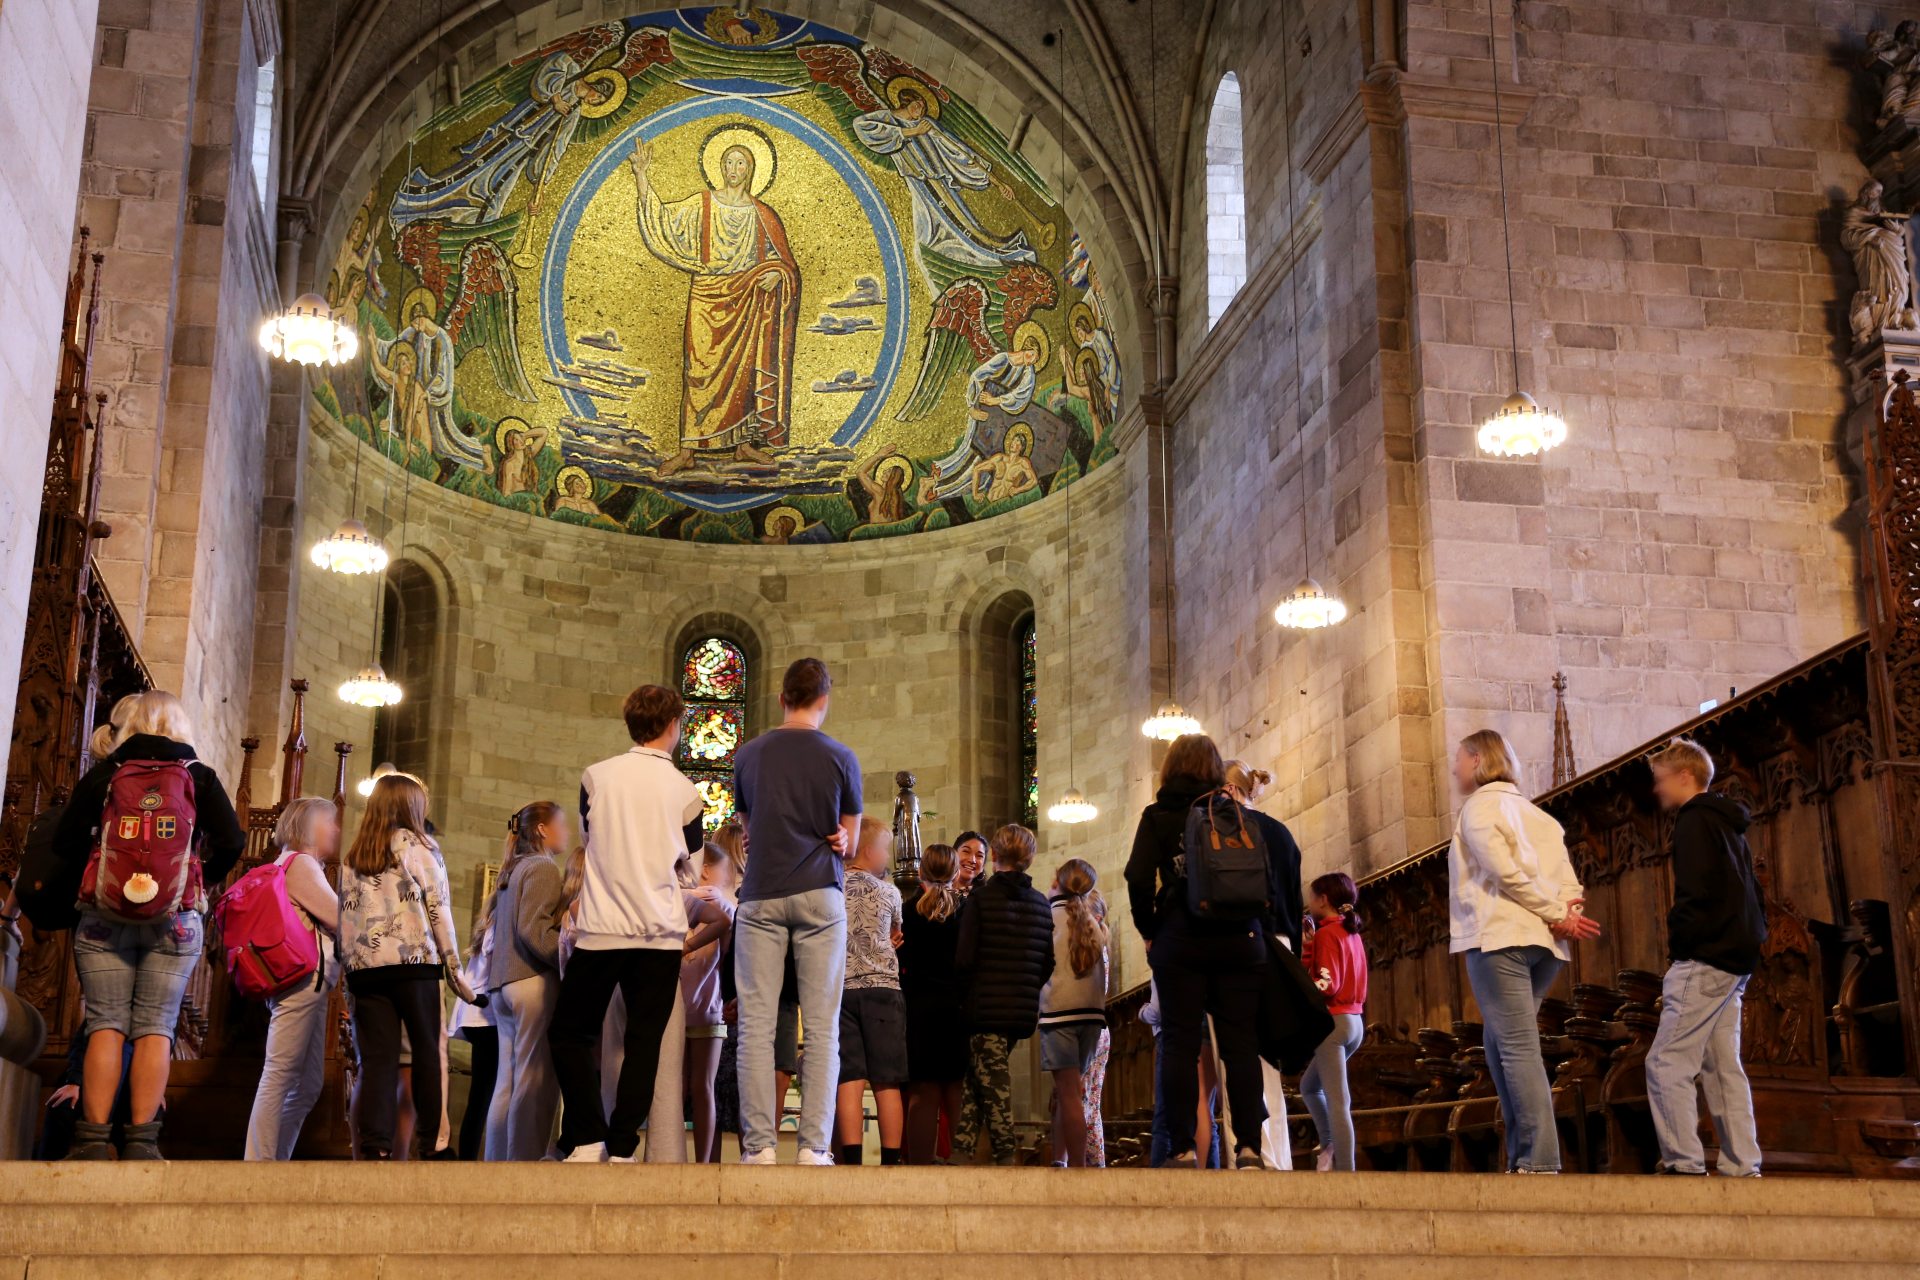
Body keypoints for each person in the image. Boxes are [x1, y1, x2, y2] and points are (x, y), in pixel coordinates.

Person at [55, 691, 246, 1160]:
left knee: (106, 1025)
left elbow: (64, 840)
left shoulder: (105, 774)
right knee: (156, 1028)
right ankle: (142, 1144)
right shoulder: (198, 776)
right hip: (175, 920)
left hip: (103, 917)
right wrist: (196, 879)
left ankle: (92, 1144)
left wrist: (104, 878)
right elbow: (233, 840)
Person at [550, 684, 705, 1163]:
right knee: (644, 1044)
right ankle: (620, 1146)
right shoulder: (686, 791)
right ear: (674, 725)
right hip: (660, 935)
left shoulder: (596, 777)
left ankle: (589, 1133)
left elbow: (590, 839)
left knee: (569, 1034)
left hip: (601, 929)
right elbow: (693, 873)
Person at [1448, 729, 1601, 1174]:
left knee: (1516, 1049)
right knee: (1499, 1047)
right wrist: (1563, 914)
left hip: (1501, 939)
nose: (1455, 767)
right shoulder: (1541, 817)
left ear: (1478, 760)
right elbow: (1570, 882)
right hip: (1545, 945)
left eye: (1458, 758)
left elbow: (1502, 872)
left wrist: (1558, 911)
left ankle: (1540, 1160)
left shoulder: (1480, 808)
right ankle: (1520, 1156)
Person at [732, 657, 864, 1166]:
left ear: (782, 698)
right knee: (824, 1027)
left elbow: (747, 822)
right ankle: (813, 1147)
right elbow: (848, 842)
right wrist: (837, 837)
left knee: (757, 1028)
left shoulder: (749, 754)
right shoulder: (841, 756)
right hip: (819, 892)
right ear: (823, 702)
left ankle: (759, 1148)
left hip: (762, 893)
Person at [1123, 733, 1272, 1171]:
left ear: (1170, 769)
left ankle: (1184, 1148)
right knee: (1240, 1045)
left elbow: (1136, 876)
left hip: (1181, 941)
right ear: (1214, 768)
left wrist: (1150, 928)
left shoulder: (1159, 815)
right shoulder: (1235, 814)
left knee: (1180, 1046)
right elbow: (1267, 878)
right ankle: (1248, 1148)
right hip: (1239, 941)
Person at [1644, 737, 1766, 1178]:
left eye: (1660, 780)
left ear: (1683, 776)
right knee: (1720, 1066)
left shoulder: (1694, 821)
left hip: (1705, 956)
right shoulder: (1727, 823)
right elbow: (1751, 892)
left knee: (1666, 1061)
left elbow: (1694, 894)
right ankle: (1743, 1165)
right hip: (1736, 960)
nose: (1656, 789)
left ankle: (1684, 1164)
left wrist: (1681, 949)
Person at [339, 773, 471, 1159]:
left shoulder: (354, 855)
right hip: (415, 965)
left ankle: (375, 1145)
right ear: (413, 807)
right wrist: (455, 970)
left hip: (366, 970)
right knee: (428, 1053)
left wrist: (350, 975)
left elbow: (346, 921)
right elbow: (439, 910)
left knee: (377, 1060)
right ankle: (432, 1145)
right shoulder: (420, 848)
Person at [243, 797, 342, 1160]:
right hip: (302, 980)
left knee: (307, 1084)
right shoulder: (301, 863)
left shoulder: (293, 863)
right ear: (311, 826)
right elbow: (339, 919)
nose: (336, 830)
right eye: (329, 821)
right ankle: (258, 1168)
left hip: (310, 983)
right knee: (280, 1074)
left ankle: (274, 1161)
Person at [953, 824, 1053, 1165]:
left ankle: (1006, 1152)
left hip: (984, 1006)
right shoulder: (1041, 904)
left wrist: (967, 994)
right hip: (1020, 1009)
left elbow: (964, 957)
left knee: (993, 1083)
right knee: (979, 1075)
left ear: (993, 855)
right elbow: (1047, 963)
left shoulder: (981, 899)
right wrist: (1023, 990)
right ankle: (962, 1150)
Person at [1225, 757, 1305, 1171]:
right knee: (1268, 1058)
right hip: (1284, 944)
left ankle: (1248, 1152)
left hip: (1242, 943)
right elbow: (1295, 899)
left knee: (1237, 1056)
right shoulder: (1281, 833)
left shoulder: (1228, 829)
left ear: (1233, 791)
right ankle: (1279, 1158)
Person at [484, 801, 568, 1160]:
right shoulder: (543, 868)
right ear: (543, 830)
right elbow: (534, 931)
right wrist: (566, 956)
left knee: (508, 1079)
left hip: (502, 984)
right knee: (534, 1080)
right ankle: (523, 1164)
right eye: (562, 824)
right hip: (531, 980)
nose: (567, 832)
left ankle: (497, 1161)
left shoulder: (512, 869)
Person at [835, 817, 907, 1165]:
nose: (887, 858)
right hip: (882, 989)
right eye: (885, 850)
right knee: (886, 1078)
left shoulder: (832, 886)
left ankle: (851, 1160)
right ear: (869, 851)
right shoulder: (889, 891)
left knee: (849, 1077)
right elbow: (896, 931)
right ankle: (890, 1161)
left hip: (842, 989)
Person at [900, 843, 968, 1164]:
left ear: (921, 872)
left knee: (922, 1095)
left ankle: (919, 1171)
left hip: (918, 1012)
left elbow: (899, 961)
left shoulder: (907, 911)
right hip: (956, 1011)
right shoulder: (965, 911)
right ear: (956, 873)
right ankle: (961, 1171)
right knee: (956, 1093)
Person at [1039, 857, 1109, 1168]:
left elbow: (1039, 965)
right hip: (1092, 1018)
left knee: (1068, 1094)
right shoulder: (1093, 921)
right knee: (1069, 1090)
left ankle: (1076, 1168)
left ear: (1057, 882)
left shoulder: (1049, 916)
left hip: (1059, 1014)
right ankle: (1060, 1160)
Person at [1300, 872, 1367, 1172]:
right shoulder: (1349, 930)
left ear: (1323, 899)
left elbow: (1328, 985)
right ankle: (1329, 1147)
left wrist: (1299, 988)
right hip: (1355, 1022)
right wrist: (1309, 948)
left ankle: (1346, 1172)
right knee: (1309, 1086)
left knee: (1338, 1102)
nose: (1308, 902)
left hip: (1335, 1023)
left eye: (1311, 896)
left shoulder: (1329, 933)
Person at [683, 842, 738, 1163]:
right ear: (706, 869)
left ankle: (672, 1153)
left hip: (680, 1003)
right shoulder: (725, 906)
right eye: (723, 872)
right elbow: (730, 954)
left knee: (678, 1089)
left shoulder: (677, 898)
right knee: (704, 1089)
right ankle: (703, 1162)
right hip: (709, 1003)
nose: (726, 879)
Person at [450, 925, 497, 1160]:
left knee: (479, 1096)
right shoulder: (500, 919)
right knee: (485, 1095)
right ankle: (471, 1159)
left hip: (478, 1015)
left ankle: (467, 1158)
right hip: (486, 1014)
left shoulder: (488, 922)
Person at [952, 831, 987, 896]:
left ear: (983, 865)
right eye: (966, 851)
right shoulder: (935, 892)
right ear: (954, 854)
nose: (972, 860)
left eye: (979, 855)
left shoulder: (986, 898)